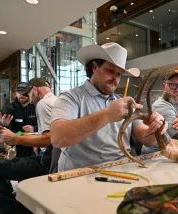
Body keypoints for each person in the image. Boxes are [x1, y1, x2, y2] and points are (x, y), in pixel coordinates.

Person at [51, 42, 167, 171]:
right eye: (110, 70)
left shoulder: (124, 103)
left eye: (119, 74)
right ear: (95, 67)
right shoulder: (71, 97)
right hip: (80, 174)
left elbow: (148, 140)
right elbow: (57, 138)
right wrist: (107, 115)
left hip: (123, 169)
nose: (115, 78)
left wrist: (157, 128)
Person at [0, 78, 57, 214]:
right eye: (21, 94)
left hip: (51, 163)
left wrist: (16, 138)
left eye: (28, 95)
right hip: (52, 157)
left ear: (35, 90)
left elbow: (48, 139)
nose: (28, 99)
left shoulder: (42, 104)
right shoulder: (56, 101)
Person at [0, 82, 38, 161]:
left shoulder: (36, 107)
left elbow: (43, 125)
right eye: (19, 92)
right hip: (12, 143)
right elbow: (3, 130)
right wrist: (4, 125)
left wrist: (34, 128)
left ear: (29, 93)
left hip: (32, 142)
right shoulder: (8, 108)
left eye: (24, 92)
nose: (22, 95)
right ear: (16, 93)